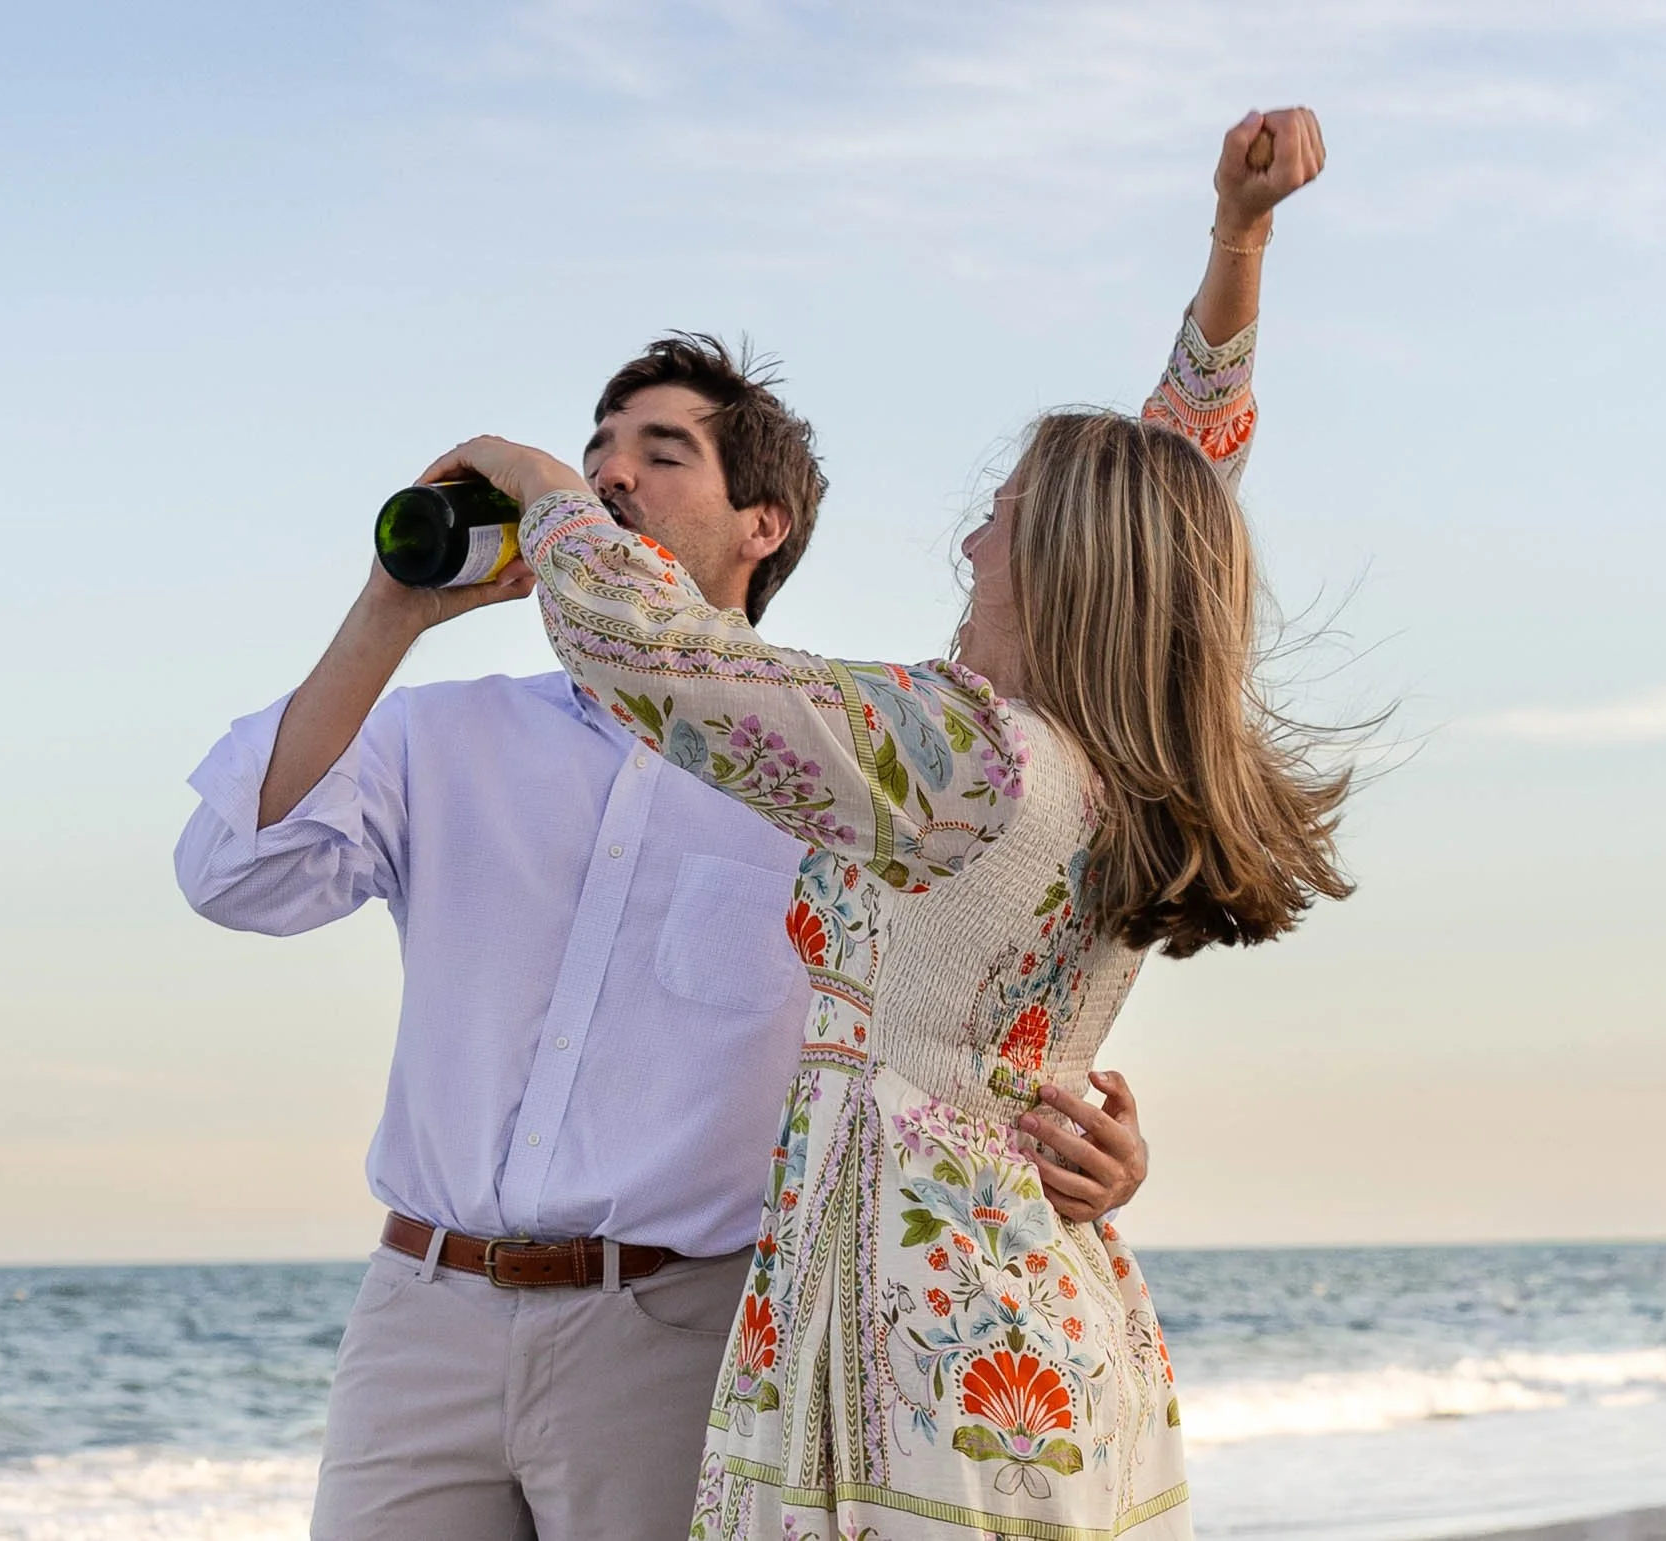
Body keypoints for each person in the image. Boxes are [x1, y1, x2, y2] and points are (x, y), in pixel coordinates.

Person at [171, 152, 1197, 1539]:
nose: (607, 476)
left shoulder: (852, 767)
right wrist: (388, 615)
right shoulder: (447, 737)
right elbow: (236, 876)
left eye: (661, 453)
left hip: (678, 1324)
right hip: (418, 1316)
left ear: (760, 524)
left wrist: (1060, 1129)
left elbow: (973, 985)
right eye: (593, 453)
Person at [420, 107, 1339, 1541]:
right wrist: (1237, 247)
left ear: (1059, 558)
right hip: (1037, 1316)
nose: (970, 539)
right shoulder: (1112, 765)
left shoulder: (965, 757)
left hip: (908, 1334)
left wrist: (548, 493)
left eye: (1001, 512)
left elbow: (660, 660)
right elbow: (1179, 485)